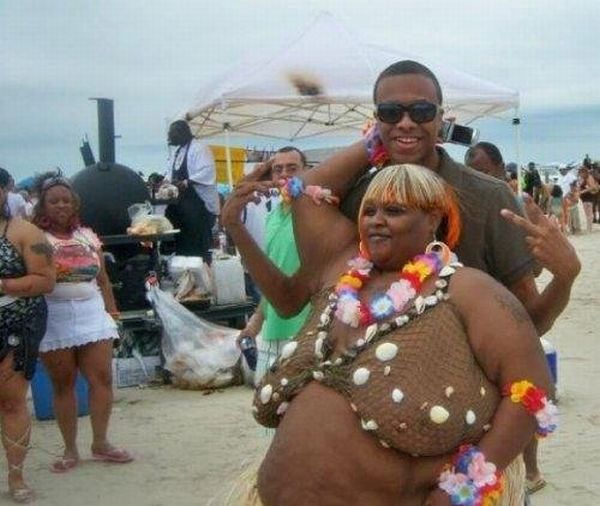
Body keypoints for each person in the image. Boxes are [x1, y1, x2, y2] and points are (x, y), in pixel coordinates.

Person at [229, 59, 580, 497]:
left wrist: (564, 279)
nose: (406, 122)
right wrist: (372, 146)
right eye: (391, 112)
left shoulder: (487, 198)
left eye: (422, 111)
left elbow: (528, 331)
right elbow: (302, 196)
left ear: (442, 116)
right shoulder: (361, 192)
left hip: (455, 441)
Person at [223, 163, 556, 505]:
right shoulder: (339, 273)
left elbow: (533, 390)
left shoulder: (467, 289)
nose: (376, 220)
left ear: (433, 219)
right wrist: (234, 226)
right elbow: (304, 195)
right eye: (369, 211)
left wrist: (462, 489)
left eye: (394, 210)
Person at [32, 173, 133, 473]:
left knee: (101, 379)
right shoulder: (36, 239)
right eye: (54, 201)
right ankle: (70, 449)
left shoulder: (88, 236)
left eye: (66, 200)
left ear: (75, 204)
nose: (61, 206)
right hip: (55, 314)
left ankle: (100, 442)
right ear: (43, 206)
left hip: (92, 312)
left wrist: (112, 312)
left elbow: (103, 279)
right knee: (63, 384)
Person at [0, 167, 55, 503]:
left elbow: (46, 280)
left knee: (11, 400)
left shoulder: (24, 232)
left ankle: (16, 475)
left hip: (16, 322)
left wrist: (3, 285)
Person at [236, 147, 312, 384]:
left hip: (307, 327)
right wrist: (255, 323)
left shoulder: (315, 213)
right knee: (267, 398)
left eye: (292, 168)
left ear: (306, 171)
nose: (284, 174)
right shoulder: (272, 217)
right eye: (278, 169)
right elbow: (273, 278)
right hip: (273, 329)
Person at [164, 120, 219, 263]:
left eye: (171, 134)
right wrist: (163, 183)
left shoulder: (199, 148)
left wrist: (186, 182)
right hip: (180, 209)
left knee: (197, 250)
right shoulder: (177, 152)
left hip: (198, 208)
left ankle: (202, 272)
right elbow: (169, 175)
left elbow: (207, 171)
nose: (169, 137)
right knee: (182, 247)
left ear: (181, 133)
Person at [577, 163, 598, 233]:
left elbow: (592, 187)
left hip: (589, 196)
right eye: (579, 173)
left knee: (589, 213)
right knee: (587, 213)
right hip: (584, 197)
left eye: (581, 173)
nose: (580, 174)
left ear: (584, 172)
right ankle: (589, 228)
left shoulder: (589, 177)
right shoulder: (582, 178)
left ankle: (589, 228)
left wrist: (582, 191)